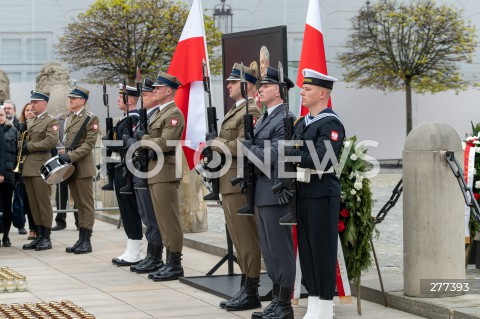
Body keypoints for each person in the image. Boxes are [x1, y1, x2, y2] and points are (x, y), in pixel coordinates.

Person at [285, 69, 345, 319]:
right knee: (307, 251)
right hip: (304, 193)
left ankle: (325, 306)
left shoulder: (330, 123)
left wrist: (289, 154)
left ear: (322, 93)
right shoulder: (302, 123)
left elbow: (321, 159)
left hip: (322, 194)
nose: (302, 92)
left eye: (307, 89)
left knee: (322, 250)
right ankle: (315, 304)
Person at [207, 62, 263, 311]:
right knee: (239, 240)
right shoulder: (237, 110)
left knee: (246, 238)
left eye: (233, 81)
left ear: (247, 85)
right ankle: (245, 286)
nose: (228, 85)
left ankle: (251, 290)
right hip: (227, 182)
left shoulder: (251, 111)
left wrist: (216, 142)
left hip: (239, 183)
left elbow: (244, 146)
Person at [244, 67, 296, 319]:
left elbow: (275, 155)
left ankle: (285, 304)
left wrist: (249, 149)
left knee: (280, 248)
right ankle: (276, 299)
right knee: (268, 249)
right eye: (260, 86)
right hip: (260, 192)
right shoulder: (266, 117)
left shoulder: (285, 118)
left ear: (279, 89)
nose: (260, 89)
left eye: (265, 86)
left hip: (276, 192)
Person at [139, 70, 185, 281]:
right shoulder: (159, 113)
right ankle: (167, 262)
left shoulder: (173, 114)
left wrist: (144, 139)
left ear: (168, 91)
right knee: (160, 220)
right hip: (155, 171)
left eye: (158, 88)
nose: (154, 90)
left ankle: (175, 264)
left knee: (169, 221)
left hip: (165, 172)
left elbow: (166, 143)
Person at [127, 78, 165, 274]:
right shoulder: (146, 116)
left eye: (146, 94)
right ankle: (151, 254)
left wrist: (139, 139)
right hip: (140, 169)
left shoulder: (157, 115)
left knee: (152, 215)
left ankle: (156, 255)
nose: (142, 98)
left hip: (152, 169)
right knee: (145, 215)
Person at [59, 86, 100, 254]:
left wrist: (71, 156)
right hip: (71, 168)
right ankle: (81, 237)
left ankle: (87, 239)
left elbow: (89, 144)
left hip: (82, 167)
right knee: (78, 204)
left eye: (74, 98)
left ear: (82, 101)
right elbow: (68, 142)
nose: (70, 101)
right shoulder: (69, 118)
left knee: (86, 204)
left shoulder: (90, 118)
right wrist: (64, 154)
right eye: (69, 98)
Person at [108, 84, 143, 266]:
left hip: (127, 169)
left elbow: (128, 144)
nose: (116, 99)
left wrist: (111, 144)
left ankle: (135, 250)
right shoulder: (125, 118)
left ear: (130, 100)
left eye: (119, 96)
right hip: (120, 167)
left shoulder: (133, 118)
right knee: (125, 209)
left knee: (130, 210)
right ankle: (132, 247)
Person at [22, 90, 59, 251]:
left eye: (35, 102)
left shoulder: (50, 121)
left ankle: (46, 237)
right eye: (32, 102)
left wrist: (29, 146)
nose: (32, 105)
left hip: (41, 165)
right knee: (33, 204)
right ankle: (38, 234)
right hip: (29, 166)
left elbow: (51, 141)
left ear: (44, 103)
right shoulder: (31, 122)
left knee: (43, 203)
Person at [3, 100, 27, 235]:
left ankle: (20, 224)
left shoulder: (19, 126)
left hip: (14, 169)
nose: (7, 111)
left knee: (18, 199)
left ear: (14, 110)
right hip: (5, 170)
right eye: (5, 108)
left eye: (9, 108)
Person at [52, 111, 79, 231]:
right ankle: (60, 221)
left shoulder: (81, 119)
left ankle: (79, 221)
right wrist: (61, 147)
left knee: (77, 192)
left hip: (75, 158)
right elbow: (55, 136)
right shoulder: (60, 119)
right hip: (61, 159)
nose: (71, 102)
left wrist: (69, 151)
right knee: (60, 191)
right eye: (70, 99)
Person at [0, 107, 19, 247]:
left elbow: (7, 153)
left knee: (7, 206)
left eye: (1, 115)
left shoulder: (13, 131)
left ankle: (6, 236)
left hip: (7, 175)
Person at [18, 102, 36, 240]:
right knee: (27, 201)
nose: (29, 112)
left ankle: (39, 228)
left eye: (31, 110)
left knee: (37, 201)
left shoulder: (37, 127)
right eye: (27, 110)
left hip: (36, 168)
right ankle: (31, 228)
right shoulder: (19, 128)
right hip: (23, 169)